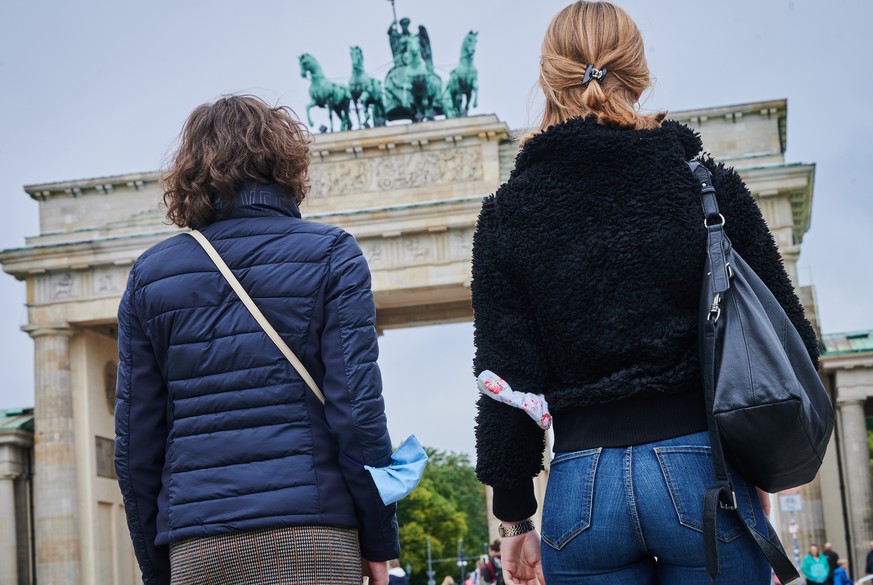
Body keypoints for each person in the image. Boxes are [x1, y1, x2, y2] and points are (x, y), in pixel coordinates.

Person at [470, 2, 820, 584]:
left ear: (547, 77)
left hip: (580, 489)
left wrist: (513, 517)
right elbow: (787, 339)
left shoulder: (508, 213)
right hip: (701, 473)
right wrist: (754, 465)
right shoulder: (705, 185)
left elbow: (505, 378)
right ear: (639, 71)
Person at [114, 95, 399, 585]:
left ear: (189, 171)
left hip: (200, 546)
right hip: (315, 536)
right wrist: (378, 541)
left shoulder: (149, 276)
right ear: (284, 163)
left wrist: (159, 561)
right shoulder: (332, 254)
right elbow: (357, 414)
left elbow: (136, 444)